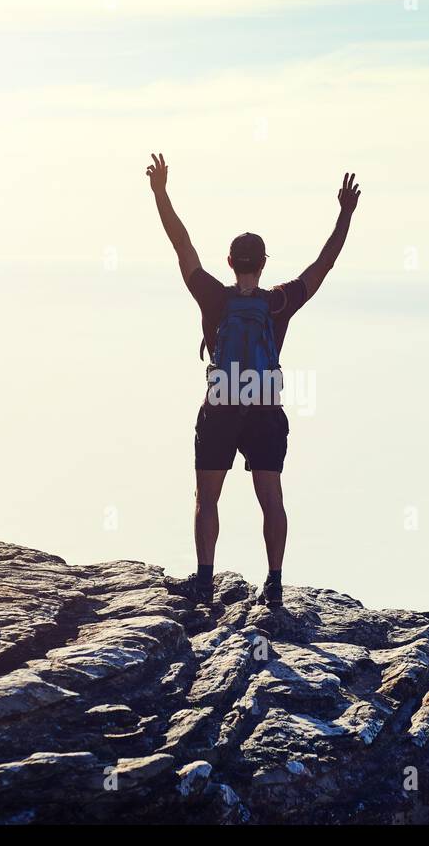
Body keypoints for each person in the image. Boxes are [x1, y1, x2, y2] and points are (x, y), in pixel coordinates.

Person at [146, 153, 360, 607]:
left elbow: (181, 244)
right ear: (262, 263)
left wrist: (161, 193)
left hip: (220, 408)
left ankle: (204, 581)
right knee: (271, 498)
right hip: (264, 409)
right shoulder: (279, 303)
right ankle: (275, 584)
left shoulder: (212, 297)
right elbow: (324, 264)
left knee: (207, 498)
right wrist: (344, 214)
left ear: (229, 261)